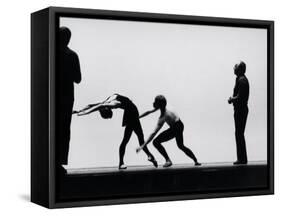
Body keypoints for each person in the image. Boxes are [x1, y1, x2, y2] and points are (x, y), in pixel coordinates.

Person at [76, 94, 158, 170]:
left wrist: (85, 112)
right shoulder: (106, 102)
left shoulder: (113, 104)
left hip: (132, 113)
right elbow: (91, 105)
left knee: (134, 139)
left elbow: (98, 106)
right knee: (134, 139)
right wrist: (79, 110)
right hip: (130, 114)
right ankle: (148, 156)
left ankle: (148, 157)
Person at [136, 95, 201, 168]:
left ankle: (168, 160)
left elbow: (153, 133)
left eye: (155, 102)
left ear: (159, 105)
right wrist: (138, 117)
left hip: (177, 128)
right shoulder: (165, 106)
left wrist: (143, 145)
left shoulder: (164, 116)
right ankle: (195, 160)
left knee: (156, 142)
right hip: (179, 124)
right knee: (181, 146)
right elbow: (149, 112)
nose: (153, 103)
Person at [57, 27, 81, 167]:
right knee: (65, 129)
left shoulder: (50, 53)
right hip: (67, 96)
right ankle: (60, 162)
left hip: (53, 95)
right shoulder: (72, 55)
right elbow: (78, 79)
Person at [228, 61, 249, 165]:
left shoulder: (242, 80)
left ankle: (242, 159)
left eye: (235, 66)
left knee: (239, 134)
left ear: (240, 69)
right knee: (239, 133)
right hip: (240, 110)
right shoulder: (240, 79)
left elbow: (240, 97)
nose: (233, 68)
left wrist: (232, 99)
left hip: (241, 110)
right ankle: (242, 158)